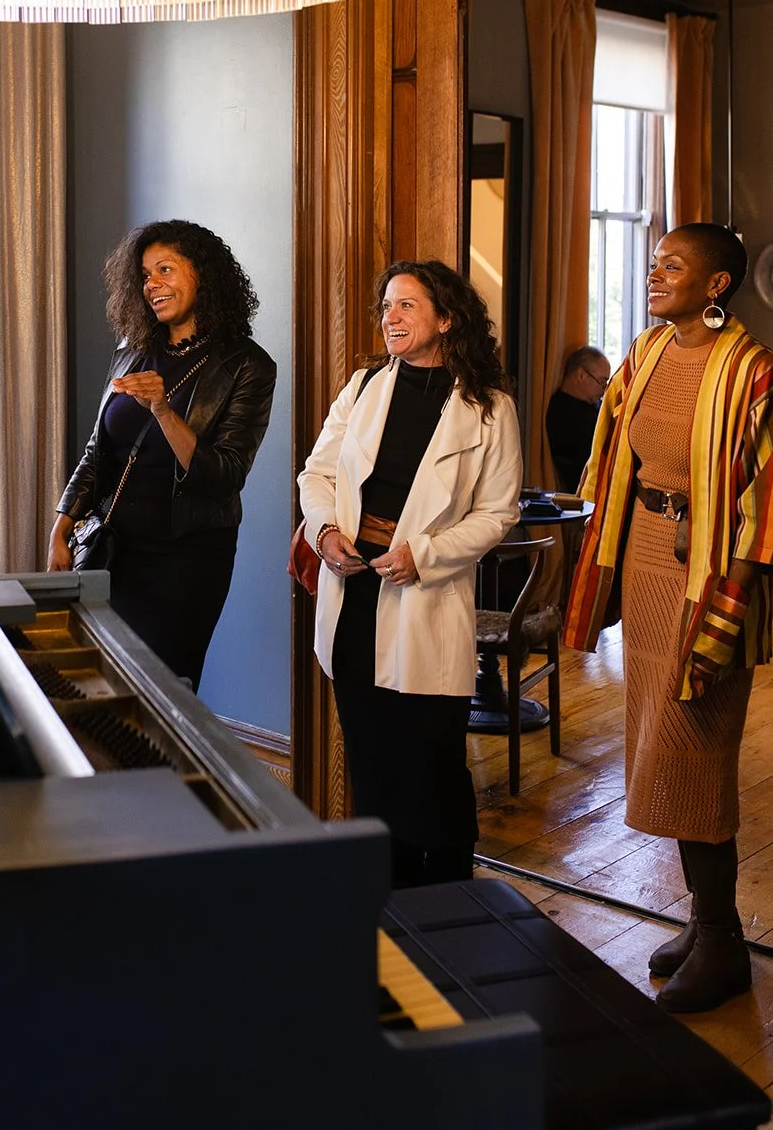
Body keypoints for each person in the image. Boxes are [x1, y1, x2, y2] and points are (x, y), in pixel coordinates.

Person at [563, 223, 773, 1013]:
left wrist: (731, 588)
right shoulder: (645, 354)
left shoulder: (750, 370)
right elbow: (617, 452)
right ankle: (705, 920)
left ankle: (721, 944)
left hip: (712, 575)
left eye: (672, 266)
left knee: (696, 742)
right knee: (661, 738)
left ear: (716, 284)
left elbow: (766, 498)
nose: (655, 275)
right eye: (653, 264)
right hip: (651, 556)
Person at [297, 259, 523, 888]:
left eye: (406, 307)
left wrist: (424, 554)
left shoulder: (488, 408)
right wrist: (323, 532)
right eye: (386, 306)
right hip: (353, 587)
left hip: (424, 593)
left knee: (433, 760)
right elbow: (315, 473)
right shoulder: (364, 386)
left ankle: (449, 891)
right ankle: (388, 895)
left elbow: (498, 512)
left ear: (446, 319)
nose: (389, 319)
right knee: (371, 757)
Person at [48, 219, 276, 690]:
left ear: (203, 275)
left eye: (165, 269)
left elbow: (224, 476)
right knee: (100, 681)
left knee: (165, 692)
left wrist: (163, 410)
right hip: (113, 548)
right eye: (146, 275)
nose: (152, 284)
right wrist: (62, 523)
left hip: (186, 558)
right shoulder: (131, 350)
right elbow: (99, 451)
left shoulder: (247, 365)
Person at [546, 344, 611, 491]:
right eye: (601, 381)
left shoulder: (594, 405)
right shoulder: (563, 413)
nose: (604, 389)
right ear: (581, 375)